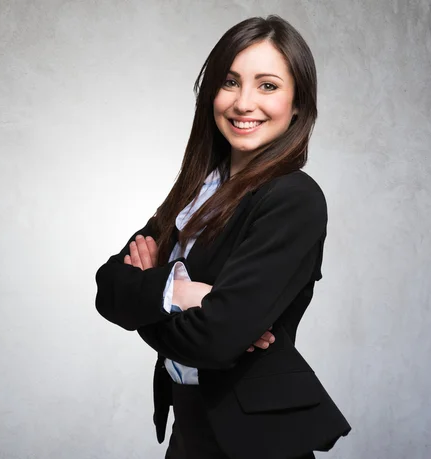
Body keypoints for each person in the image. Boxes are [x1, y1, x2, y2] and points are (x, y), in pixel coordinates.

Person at [95, 14, 351, 459]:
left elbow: (216, 339)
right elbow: (108, 288)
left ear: (297, 104)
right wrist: (183, 294)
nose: (243, 102)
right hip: (188, 424)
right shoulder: (196, 190)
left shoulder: (295, 198)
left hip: (254, 441)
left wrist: (150, 298)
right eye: (230, 82)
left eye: (267, 86)